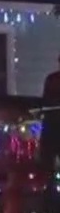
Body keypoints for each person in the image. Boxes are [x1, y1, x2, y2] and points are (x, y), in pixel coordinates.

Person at [42, 54, 60, 201]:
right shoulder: (52, 79)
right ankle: (49, 190)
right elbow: (46, 101)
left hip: (52, 125)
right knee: (48, 161)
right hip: (52, 125)